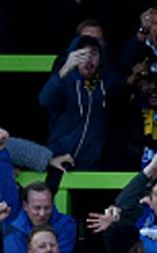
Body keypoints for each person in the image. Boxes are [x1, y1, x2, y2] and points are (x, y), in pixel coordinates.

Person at [39, 34, 125, 170]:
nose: (88, 58)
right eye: (82, 54)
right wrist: (65, 68)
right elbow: (44, 100)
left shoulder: (107, 84)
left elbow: (125, 72)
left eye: (94, 53)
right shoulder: (65, 82)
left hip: (94, 165)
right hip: (60, 161)